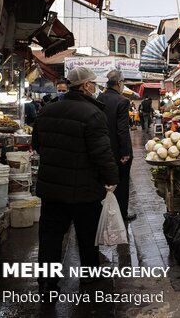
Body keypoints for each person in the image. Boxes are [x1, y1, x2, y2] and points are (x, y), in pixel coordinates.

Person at [32, 67, 118, 294]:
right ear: (86, 86)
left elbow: (37, 146)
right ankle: (90, 277)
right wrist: (111, 179)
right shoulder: (92, 113)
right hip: (85, 188)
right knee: (87, 235)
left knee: (50, 237)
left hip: (52, 189)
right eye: (93, 83)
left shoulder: (47, 111)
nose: (94, 88)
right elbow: (102, 152)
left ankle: (47, 283)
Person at [97, 70, 135, 221]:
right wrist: (125, 152)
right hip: (118, 150)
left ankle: (103, 212)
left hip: (102, 147)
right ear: (119, 83)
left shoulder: (99, 98)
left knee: (104, 181)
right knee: (122, 183)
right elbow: (122, 130)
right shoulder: (122, 101)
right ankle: (121, 214)